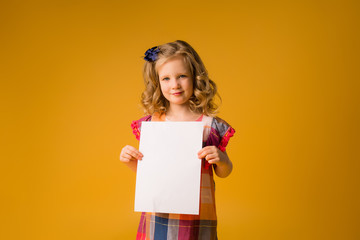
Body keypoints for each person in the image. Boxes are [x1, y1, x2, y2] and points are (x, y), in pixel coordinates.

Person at [120, 40, 235, 240]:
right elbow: (150, 175)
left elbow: (223, 172)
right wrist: (131, 160)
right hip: (159, 213)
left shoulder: (209, 126)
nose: (175, 85)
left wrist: (222, 159)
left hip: (197, 217)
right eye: (166, 78)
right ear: (157, 82)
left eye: (182, 76)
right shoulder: (152, 124)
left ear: (195, 77)